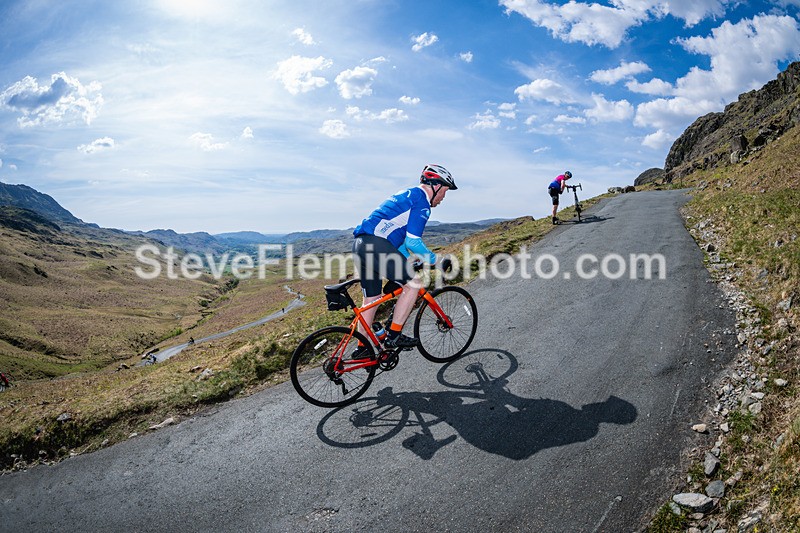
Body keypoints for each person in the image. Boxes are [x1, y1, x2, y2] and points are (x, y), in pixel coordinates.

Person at [352, 164, 456, 351]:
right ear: (436, 186)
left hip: (361, 245)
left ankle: (362, 348)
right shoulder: (421, 202)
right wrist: (436, 261)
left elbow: (398, 243)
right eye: (445, 192)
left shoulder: (407, 194)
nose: (443, 198)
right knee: (414, 285)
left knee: (371, 299)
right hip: (376, 246)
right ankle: (394, 336)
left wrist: (411, 261)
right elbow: (413, 242)